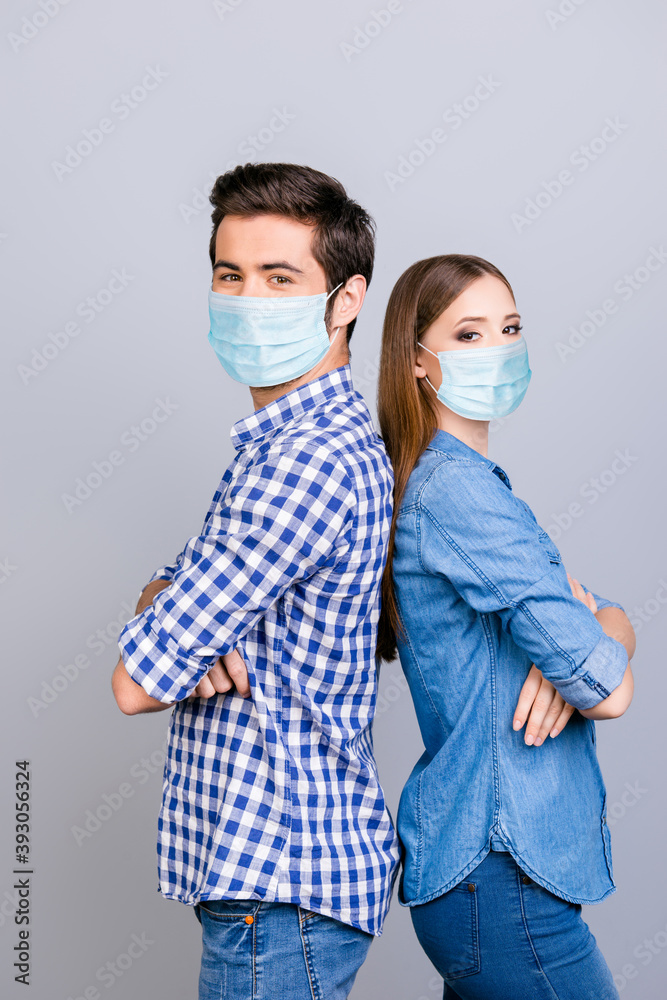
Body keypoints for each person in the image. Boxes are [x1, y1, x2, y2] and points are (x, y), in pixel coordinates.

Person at [111, 162, 402, 1000]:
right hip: (282, 886)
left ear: (345, 299)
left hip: (280, 886)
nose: (248, 298)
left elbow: (136, 683)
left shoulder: (304, 464)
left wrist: (171, 622)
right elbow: (174, 596)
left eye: (281, 278)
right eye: (229, 275)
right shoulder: (286, 446)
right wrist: (173, 605)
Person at [376, 254, 635, 1000]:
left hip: (489, 878)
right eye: (468, 333)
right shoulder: (458, 493)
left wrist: (601, 631)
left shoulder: (460, 485)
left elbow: (594, 643)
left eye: (509, 328)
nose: (497, 348)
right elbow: (607, 687)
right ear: (418, 362)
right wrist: (596, 644)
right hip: (500, 871)